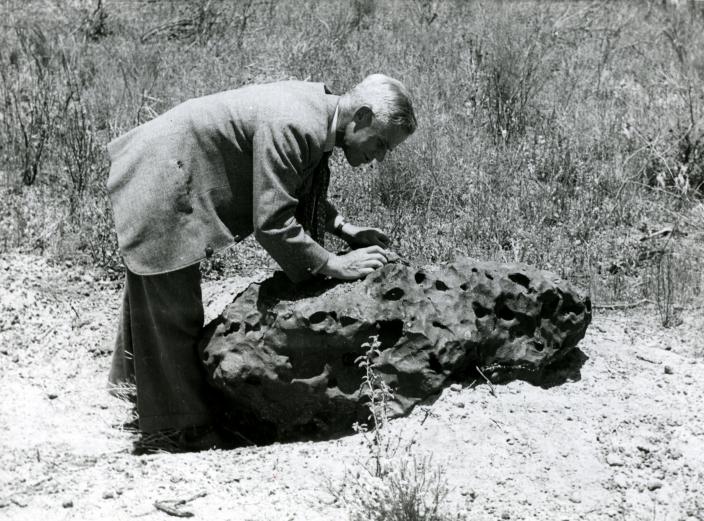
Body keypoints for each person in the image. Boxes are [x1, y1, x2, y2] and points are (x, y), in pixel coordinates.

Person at [106, 74, 417, 452]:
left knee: (154, 289)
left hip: (168, 162)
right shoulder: (296, 123)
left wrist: (344, 227)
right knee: (172, 305)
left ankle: (134, 389)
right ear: (362, 117)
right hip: (162, 172)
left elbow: (288, 182)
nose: (380, 157)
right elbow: (272, 224)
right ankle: (177, 429)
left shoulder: (319, 113)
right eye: (381, 143)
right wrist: (336, 264)